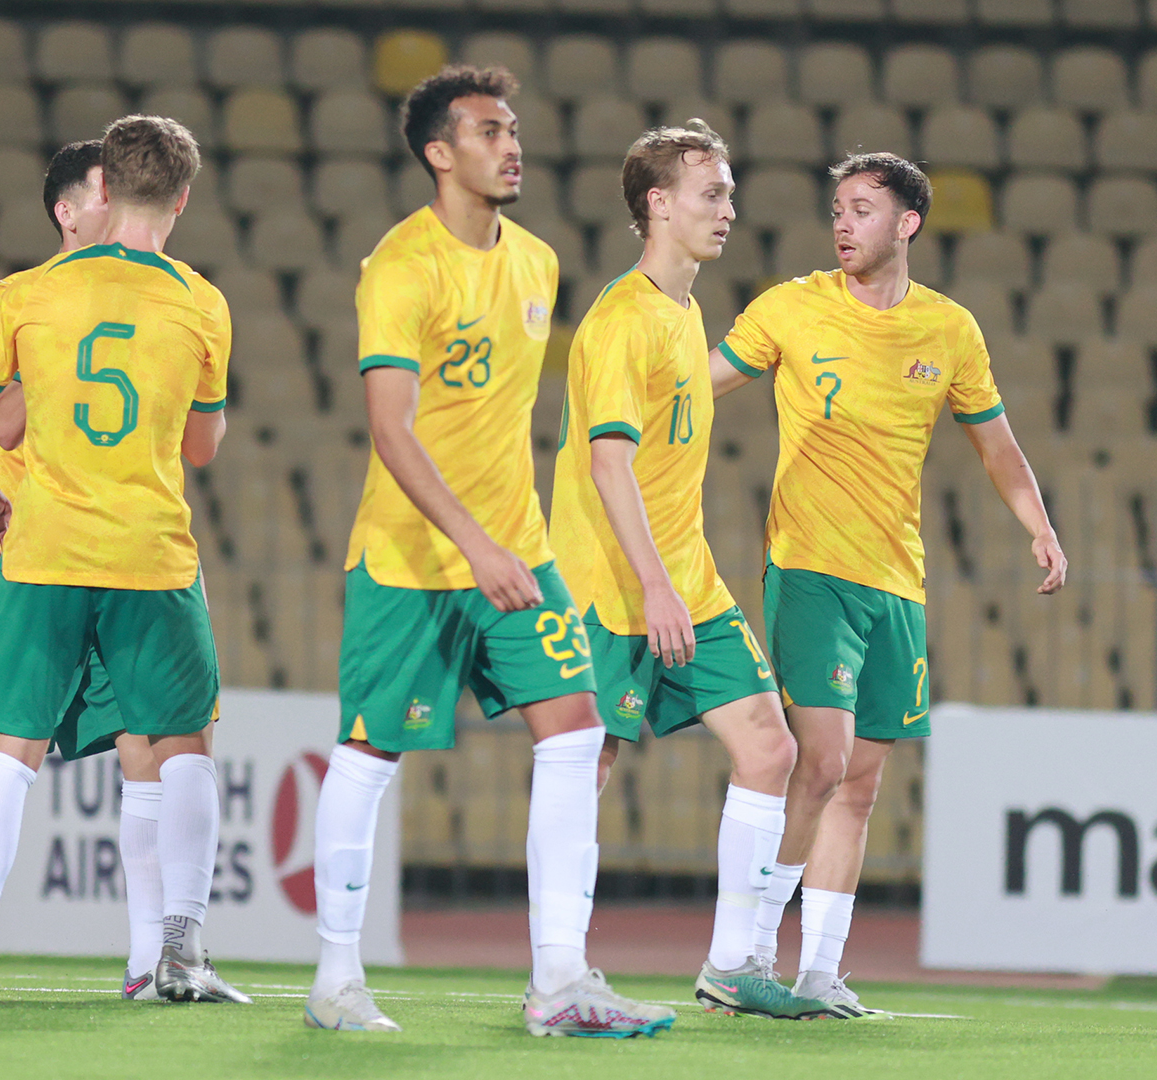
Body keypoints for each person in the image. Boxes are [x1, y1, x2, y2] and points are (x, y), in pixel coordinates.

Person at [302, 66, 674, 1039]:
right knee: (371, 750)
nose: (511, 145)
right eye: (487, 130)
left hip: (516, 552)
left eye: (513, 128)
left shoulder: (539, 263)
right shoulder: (399, 267)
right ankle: (335, 980)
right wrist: (471, 545)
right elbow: (394, 430)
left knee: (577, 728)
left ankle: (558, 980)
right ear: (439, 152)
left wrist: (504, 543)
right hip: (411, 559)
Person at [710, 152, 1068, 1014]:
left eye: (862, 210)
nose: (842, 223)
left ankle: (820, 971)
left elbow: (997, 443)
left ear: (906, 223)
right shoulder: (790, 307)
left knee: (862, 782)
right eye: (837, 208)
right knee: (821, 760)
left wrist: (1040, 525)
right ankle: (746, 959)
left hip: (896, 580)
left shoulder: (949, 329)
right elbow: (701, 382)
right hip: (810, 568)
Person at [0, 115, 243, 1005]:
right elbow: (205, 447)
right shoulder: (203, 302)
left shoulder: (26, 293)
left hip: (44, 550)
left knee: (7, 754)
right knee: (184, 750)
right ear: (181, 197)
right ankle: (177, 953)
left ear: (102, 188)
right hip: (152, 554)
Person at [0, 139, 192, 1001]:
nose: (120, 209)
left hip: (116, 559)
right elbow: (1, 426)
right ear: (69, 211)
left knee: (145, 757)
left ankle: (144, 965)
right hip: (24, 563)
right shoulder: (25, 302)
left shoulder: (153, 299)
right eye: (104, 195)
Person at [548, 120, 843, 1020]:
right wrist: (651, 584)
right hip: (611, 583)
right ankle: (556, 968)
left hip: (686, 575)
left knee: (771, 746)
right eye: (711, 192)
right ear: (657, 205)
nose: (728, 207)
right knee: (585, 766)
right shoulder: (618, 320)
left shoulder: (686, 309)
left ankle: (729, 967)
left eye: (729, 190)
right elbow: (608, 465)